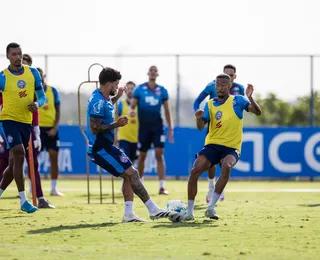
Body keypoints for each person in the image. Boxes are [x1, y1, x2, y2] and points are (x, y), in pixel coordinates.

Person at [86, 67, 178, 222]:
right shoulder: (97, 101)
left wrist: (118, 96)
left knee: (129, 176)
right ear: (109, 83)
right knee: (133, 173)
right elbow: (94, 128)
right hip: (100, 149)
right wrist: (117, 124)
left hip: (106, 146)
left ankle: (129, 215)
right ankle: (153, 210)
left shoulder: (102, 97)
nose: (117, 87)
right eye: (116, 85)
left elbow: (106, 106)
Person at [185, 73, 261, 221]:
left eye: (223, 85)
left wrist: (250, 97)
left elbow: (258, 112)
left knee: (226, 166)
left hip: (231, 147)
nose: (220, 87)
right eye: (217, 85)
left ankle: (211, 208)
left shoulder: (238, 101)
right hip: (212, 145)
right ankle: (189, 212)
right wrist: (198, 119)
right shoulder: (210, 104)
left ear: (229, 86)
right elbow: (201, 127)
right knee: (195, 171)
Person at [0, 54, 54, 209]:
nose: (18, 57)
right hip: (8, 121)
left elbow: (42, 97)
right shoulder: (3, 76)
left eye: (20, 54)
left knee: (12, 165)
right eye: (14, 54)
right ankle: (23, 200)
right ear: (8, 56)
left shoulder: (33, 74)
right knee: (19, 153)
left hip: (26, 123)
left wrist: (37, 104)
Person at [193, 64, 245, 204]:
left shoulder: (240, 89)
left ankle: (218, 190)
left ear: (234, 77)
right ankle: (211, 187)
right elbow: (198, 100)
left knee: (225, 164)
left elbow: (242, 107)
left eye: (231, 75)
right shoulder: (212, 86)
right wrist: (197, 113)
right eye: (226, 73)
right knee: (210, 160)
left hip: (230, 130)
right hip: (214, 127)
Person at [130, 66, 173, 195]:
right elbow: (132, 106)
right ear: (148, 73)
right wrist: (131, 112)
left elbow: (167, 110)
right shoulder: (139, 89)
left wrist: (170, 128)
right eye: (151, 70)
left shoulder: (162, 90)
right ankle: (141, 184)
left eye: (155, 70)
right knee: (142, 156)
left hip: (157, 127)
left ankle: (161, 186)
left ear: (158, 74)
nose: (153, 72)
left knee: (159, 154)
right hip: (143, 127)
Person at [115, 81, 140, 221]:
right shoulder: (121, 104)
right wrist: (115, 135)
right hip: (123, 137)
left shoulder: (138, 105)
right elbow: (115, 118)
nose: (130, 91)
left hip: (135, 138)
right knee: (127, 166)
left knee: (133, 165)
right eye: (128, 89)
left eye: (132, 89)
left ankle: (132, 185)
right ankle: (127, 185)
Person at [37, 67, 63, 196]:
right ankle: (34, 187)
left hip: (51, 128)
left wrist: (55, 127)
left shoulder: (53, 91)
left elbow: (58, 110)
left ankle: (53, 188)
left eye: (40, 75)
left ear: (44, 75)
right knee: (34, 159)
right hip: (37, 128)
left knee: (54, 156)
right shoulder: (32, 90)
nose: (39, 77)